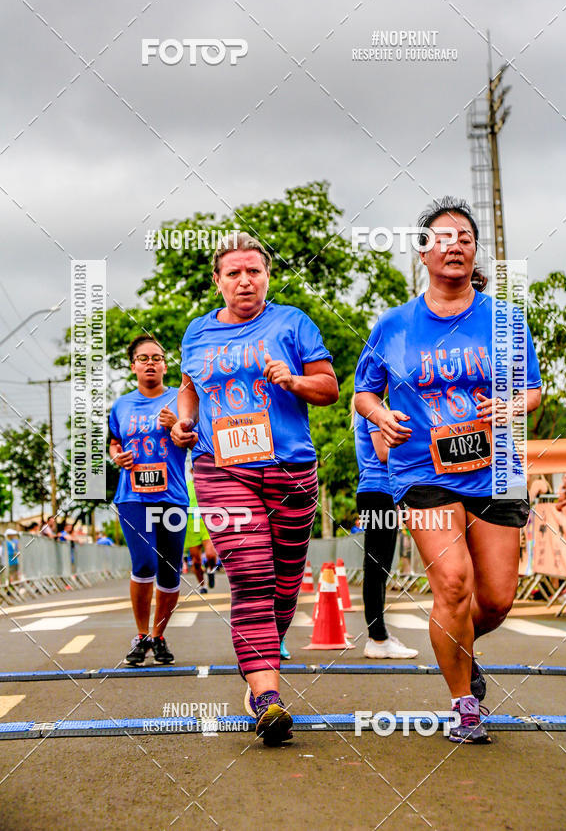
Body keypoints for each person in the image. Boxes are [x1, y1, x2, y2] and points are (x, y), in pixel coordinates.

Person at [355, 196, 542, 745]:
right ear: (423, 253)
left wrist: (508, 407)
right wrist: (381, 417)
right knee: (454, 583)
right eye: (442, 238)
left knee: (497, 600)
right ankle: (463, 703)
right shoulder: (394, 325)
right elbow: (364, 392)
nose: (455, 245)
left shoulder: (505, 320)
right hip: (423, 471)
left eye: (465, 237)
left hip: (497, 469)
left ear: (476, 251)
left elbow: (533, 391)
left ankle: (460, 647)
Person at [172, 231, 338, 745]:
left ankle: (260, 661)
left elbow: (329, 388)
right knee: (250, 575)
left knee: (285, 585)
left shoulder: (293, 322)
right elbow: (189, 389)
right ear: (217, 281)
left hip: (290, 468)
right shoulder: (197, 332)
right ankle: (267, 696)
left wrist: (294, 381)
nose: (245, 280)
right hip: (221, 468)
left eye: (254, 271)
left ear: (267, 276)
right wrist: (184, 423)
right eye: (234, 273)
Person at [109, 334, 190, 666]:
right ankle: (141, 635)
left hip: (172, 496)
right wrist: (117, 456)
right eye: (143, 358)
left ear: (165, 365)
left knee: (170, 572)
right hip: (133, 496)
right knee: (144, 563)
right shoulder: (121, 406)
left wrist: (177, 426)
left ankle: (158, 636)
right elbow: (114, 442)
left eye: (157, 358)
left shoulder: (181, 399)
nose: (150, 363)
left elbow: (197, 441)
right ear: (133, 366)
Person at [351, 394, 418, 660]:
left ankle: (379, 635)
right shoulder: (374, 409)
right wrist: (418, 451)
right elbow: (383, 453)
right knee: (377, 567)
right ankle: (377, 638)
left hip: (378, 492)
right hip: (378, 492)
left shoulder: (374, 408)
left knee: (378, 568)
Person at [185, 474, 217, 593]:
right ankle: (202, 585)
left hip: (206, 524)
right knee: (196, 562)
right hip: (191, 527)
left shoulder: (209, 485)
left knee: (211, 554)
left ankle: (211, 570)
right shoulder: (186, 486)